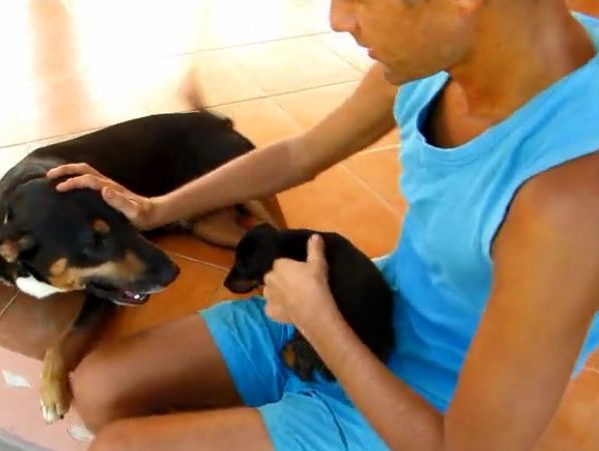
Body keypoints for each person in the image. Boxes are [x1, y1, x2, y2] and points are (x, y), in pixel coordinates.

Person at [46, 1, 599, 449]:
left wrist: (320, 321)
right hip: (373, 307)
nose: (338, 18)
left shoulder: (570, 198)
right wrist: (155, 208)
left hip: (433, 406)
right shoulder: (445, 57)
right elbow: (299, 155)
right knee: (100, 391)